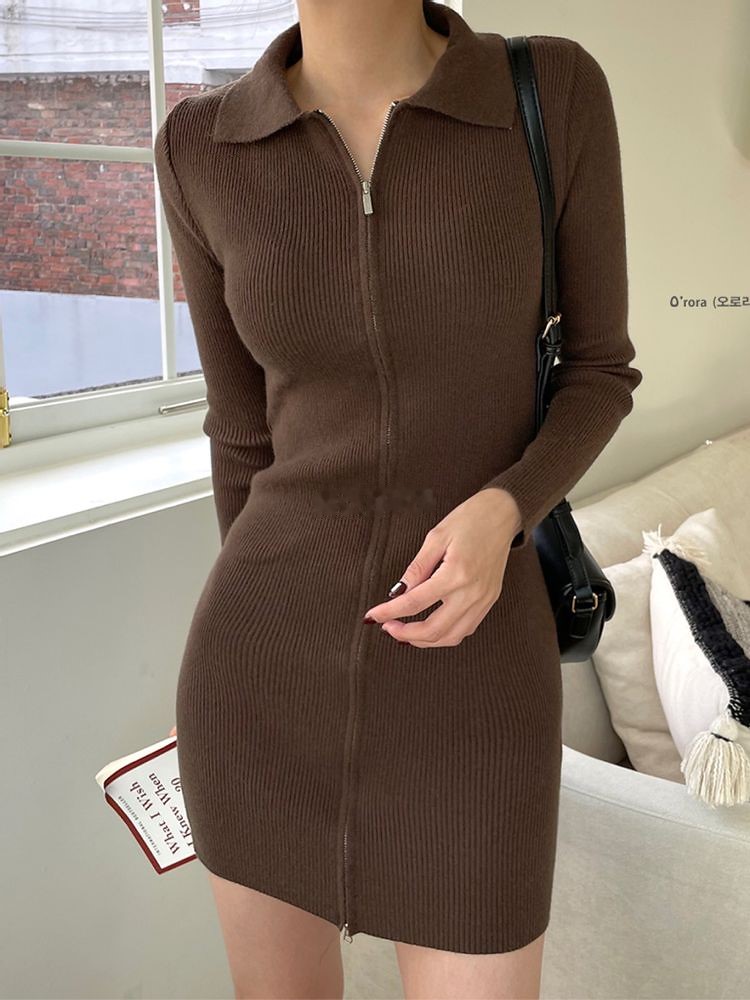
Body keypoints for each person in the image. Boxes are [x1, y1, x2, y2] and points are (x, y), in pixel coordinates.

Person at [156, 1, 642, 997]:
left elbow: (599, 369)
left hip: (477, 674)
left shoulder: (546, 92)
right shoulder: (201, 145)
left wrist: (505, 509)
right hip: (260, 676)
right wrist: (277, 616)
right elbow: (240, 434)